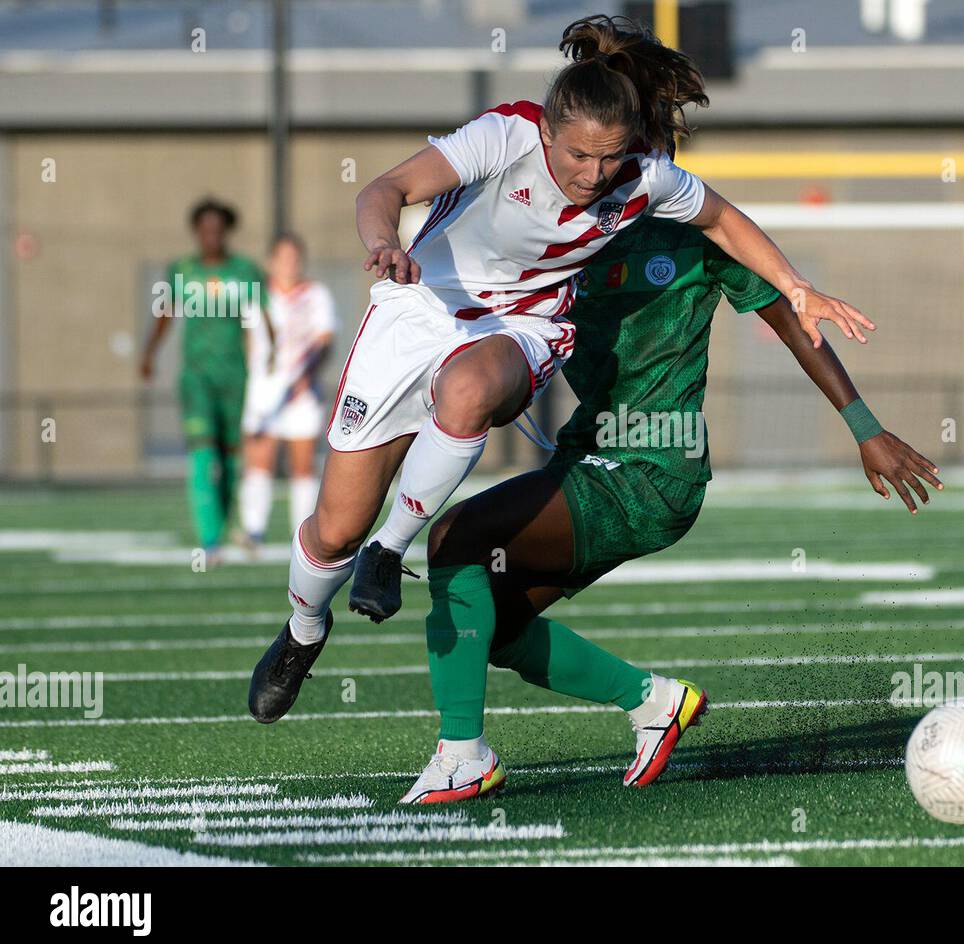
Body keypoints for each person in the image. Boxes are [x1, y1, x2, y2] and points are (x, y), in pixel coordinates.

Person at [248, 16, 874, 755]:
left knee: (472, 390)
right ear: (546, 134)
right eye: (578, 154)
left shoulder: (643, 178)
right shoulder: (504, 135)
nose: (593, 175)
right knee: (333, 529)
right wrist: (385, 242)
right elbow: (387, 188)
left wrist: (798, 286)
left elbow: (725, 219)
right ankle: (303, 632)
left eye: (610, 159)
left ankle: (391, 554)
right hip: (418, 307)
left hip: (523, 331)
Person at [140, 198, 271, 562]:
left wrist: (273, 356)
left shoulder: (245, 270)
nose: (211, 236)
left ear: (226, 232)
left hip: (235, 375)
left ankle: (225, 524)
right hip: (196, 376)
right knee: (202, 448)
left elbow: (263, 319)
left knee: (230, 456)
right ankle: (209, 540)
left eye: (218, 229)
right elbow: (165, 313)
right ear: (196, 232)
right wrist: (149, 353)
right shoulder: (181, 270)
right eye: (205, 229)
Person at [238, 233, 337, 548]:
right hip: (264, 390)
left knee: (302, 464)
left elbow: (324, 340)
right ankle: (254, 530)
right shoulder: (256, 297)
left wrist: (308, 374)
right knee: (258, 460)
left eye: (294, 258)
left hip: (302, 390)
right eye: (282, 258)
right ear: (270, 261)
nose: (289, 264)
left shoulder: (316, 294)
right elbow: (245, 340)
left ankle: (302, 533)